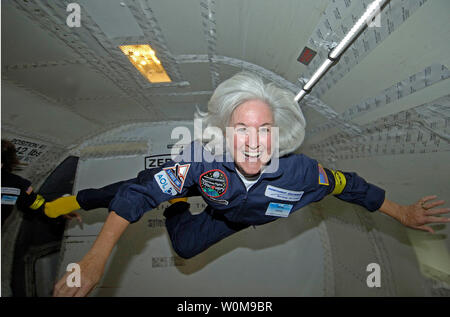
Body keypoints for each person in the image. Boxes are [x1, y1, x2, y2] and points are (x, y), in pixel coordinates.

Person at [53, 72, 450, 297]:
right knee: (134, 188)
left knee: (186, 245)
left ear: (279, 136)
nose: (254, 141)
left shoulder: (304, 173)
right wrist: (95, 259)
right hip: (204, 183)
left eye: (264, 129)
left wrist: (401, 212)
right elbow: (135, 197)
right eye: (241, 128)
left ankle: (174, 209)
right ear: (225, 131)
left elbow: (351, 187)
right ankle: (82, 199)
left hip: (235, 218)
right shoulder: (203, 157)